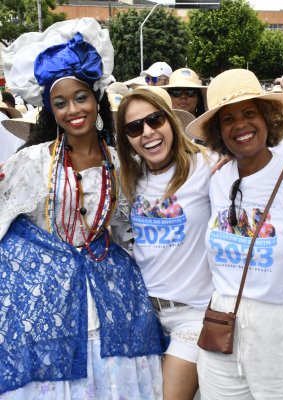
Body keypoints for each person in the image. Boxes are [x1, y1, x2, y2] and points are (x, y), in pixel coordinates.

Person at [0, 18, 166, 399]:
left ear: (96, 98)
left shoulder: (122, 162)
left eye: (80, 98)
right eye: (60, 103)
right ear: (50, 110)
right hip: (48, 303)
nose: (72, 109)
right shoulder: (34, 162)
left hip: (114, 296)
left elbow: (133, 228)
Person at [186, 68, 283, 400]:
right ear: (219, 132)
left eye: (250, 113)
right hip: (224, 327)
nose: (241, 125)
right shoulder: (216, 178)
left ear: (269, 119)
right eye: (228, 119)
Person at [116, 87, 216, 400]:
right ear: (127, 138)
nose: (147, 132)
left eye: (155, 120)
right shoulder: (128, 179)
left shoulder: (208, 167)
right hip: (145, 316)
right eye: (135, 127)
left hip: (194, 315)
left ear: (170, 121)